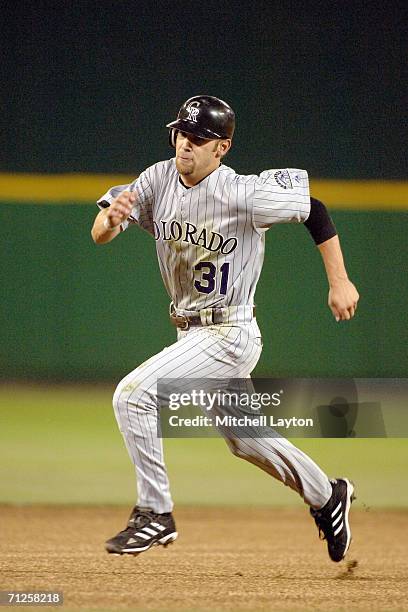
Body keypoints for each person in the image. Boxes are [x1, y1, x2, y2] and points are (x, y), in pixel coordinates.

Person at [91, 95, 359, 562]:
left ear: (222, 147)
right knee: (244, 438)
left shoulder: (244, 192)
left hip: (228, 333)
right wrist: (111, 220)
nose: (185, 145)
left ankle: (156, 513)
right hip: (190, 332)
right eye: (180, 134)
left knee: (132, 395)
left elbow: (314, 209)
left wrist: (339, 280)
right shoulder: (156, 180)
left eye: (198, 138)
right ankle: (328, 495)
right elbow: (101, 231)